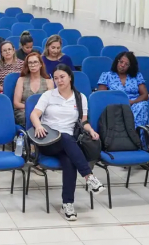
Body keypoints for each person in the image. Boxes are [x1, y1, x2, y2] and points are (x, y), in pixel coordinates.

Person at [30, 64, 104, 220]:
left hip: (69, 144)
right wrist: (38, 126)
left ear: (70, 77)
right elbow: (34, 114)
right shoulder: (48, 95)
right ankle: (89, 177)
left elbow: (83, 122)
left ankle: (67, 204)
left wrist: (91, 130)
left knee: (69, 160)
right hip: (48, 141)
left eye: (62, 77)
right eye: (56, 78)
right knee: (64, 137)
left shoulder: (80, 97)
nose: (59, 81)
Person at [97, 52, 149, 128]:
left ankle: (137, 131)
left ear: (130, 66)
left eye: (126, 64)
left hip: (134, 104)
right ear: (117, 61)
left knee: (143, 105)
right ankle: (129, 131)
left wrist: (133, 102)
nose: (122, 65)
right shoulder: (107, 75)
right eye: (121, 62)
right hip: (115, 104)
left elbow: (145, 95)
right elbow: (102, 96)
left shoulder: (136, 76)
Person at [13, 52, 52, 126]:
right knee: (28, 118)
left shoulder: (49, 81)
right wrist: (31, 108)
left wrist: (38, 110)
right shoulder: (21, 80)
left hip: (42, 110)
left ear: (40, 64)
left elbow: (50, 102)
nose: (32, 65)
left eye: (35, 62)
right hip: (24, 110)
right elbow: (16, 104)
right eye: (30, 63)